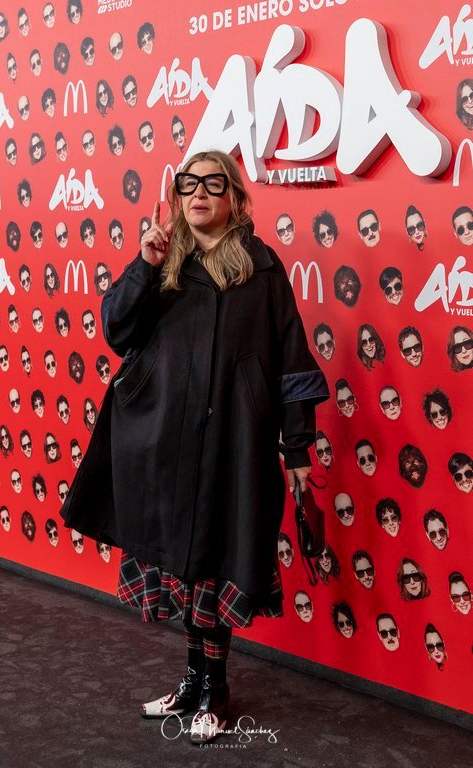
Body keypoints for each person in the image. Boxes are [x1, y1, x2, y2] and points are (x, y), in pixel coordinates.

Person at [60, 150, 329, 744]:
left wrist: (298, 449)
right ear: (178, 196)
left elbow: (292, 363)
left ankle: (215, 688)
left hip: (234, 443)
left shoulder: (261, 269)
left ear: (234, 198)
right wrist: (144, 265)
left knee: (213, 563)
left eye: (213, 183)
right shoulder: (163, 263)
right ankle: (190, 682)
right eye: (189, 184)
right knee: (182, 567)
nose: (200, 193)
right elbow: (117, 331)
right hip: (163, 442)